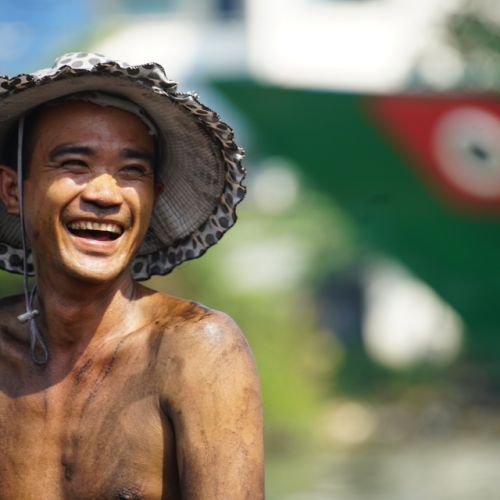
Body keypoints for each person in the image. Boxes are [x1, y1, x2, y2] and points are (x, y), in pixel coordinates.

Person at [0, 52, 263, 499]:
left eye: (132, 171)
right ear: (12, 190)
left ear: (153, 197)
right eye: (74, 164)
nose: (105, 195)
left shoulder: (195, 350)